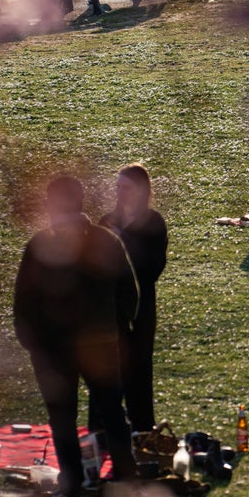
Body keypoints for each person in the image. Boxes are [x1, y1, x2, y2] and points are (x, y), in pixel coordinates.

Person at [14, 176, 139, 497]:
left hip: (54, 348)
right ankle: (127, 477)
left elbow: (24, 301)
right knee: (113, 411)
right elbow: (129, 292)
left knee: (62, 416)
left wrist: (32, 341)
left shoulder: (42, 244)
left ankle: (71, 485)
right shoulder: (106, 240)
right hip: (100, 343)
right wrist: (119, 329)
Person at [98, 164, 168, 433]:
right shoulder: (107, 221)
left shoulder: (153, 223)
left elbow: (153, 268)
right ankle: (107, 427)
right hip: (110, 307)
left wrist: (121, 242)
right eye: (117, 187)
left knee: (139, 367)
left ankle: (141, 428)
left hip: (140, 307)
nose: (120, 193)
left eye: (125, 188)